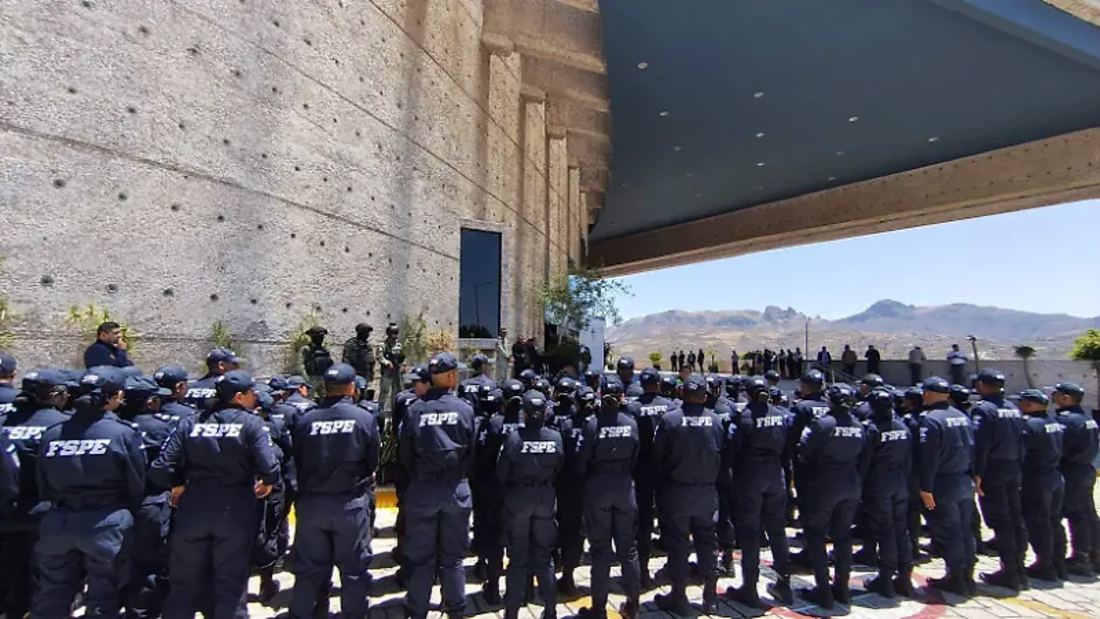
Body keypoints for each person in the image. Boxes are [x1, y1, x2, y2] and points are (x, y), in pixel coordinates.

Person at [150, 370, 280, 619]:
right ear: (239, 397)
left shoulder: (189, 422)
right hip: (234, 510)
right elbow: (270, 467)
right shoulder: (251, 423)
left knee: (183, 586)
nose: (255, 396)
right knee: (231, 584)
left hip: (193, 508)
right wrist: (268, 483)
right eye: (252, 392)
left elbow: (161, 467)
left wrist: (177, 484)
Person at [31, 367, 145, 618]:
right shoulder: (123, 433)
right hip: (106, 522)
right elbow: (137, 483)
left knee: (50, 596)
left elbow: (42, 483)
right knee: (103, 599)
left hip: (59, 522)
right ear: (116, 396)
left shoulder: (53, 433)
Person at [290, 364, 380, 619]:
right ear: (351, 388)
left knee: (309, 570)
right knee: (353, 570)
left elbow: (296, 460)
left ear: (325, 388)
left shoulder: (306, 420)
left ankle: (305, 613)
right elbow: (372, 461)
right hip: (349, 505)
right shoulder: (363, 418)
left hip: (312, 506)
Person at [399, 353, 476, 619]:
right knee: (453, 558)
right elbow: (472, 451)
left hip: (423, 489)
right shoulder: (465, 409)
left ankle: (417, 610)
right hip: (455, 489)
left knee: (421, 559)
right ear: (451, 377)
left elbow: (405, 455)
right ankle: (456, 610)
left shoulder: (415, 409)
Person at [1, 368, 73, 618]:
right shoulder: (64, 425)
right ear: (55, 394)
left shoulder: (4, 423)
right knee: (46, 579)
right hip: (47, 512)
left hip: (7, 511)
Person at [652, 374, 722, 615]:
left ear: (682, 393)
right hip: (706, 491)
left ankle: (679, 597)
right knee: (708, 543)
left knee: (678, 545)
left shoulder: (670, 420)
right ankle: (710, 598)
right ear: (705, 396)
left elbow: (658, 455)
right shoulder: (715, 421)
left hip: (678, 490)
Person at [724, 376, 794, 607]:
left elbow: (732, 450)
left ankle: (749, 588)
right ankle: (784, 584)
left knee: (750, 533)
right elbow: (787, 449)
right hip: (775, 474)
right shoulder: (781, 415)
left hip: (750, 476)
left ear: (748, 394)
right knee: (777, 531)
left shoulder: (743, 417)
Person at [796, 383, 867, 609]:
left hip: (824, 483)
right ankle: (842, 589)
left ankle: (823, 592)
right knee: (843, 537)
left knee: (817, 536)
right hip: (851, 483)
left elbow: (803, 450)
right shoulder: (859, 425)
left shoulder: (822, 424)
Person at [576, 377, 641, 619]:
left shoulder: (593, 425)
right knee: (628, 549)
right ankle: (633, 605)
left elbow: (582, 461)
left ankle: (599, 609)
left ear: (600, 396)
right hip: (624, 487)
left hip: (599, 488)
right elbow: (636, 455)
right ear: (622, 398)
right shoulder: (631, 424)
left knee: (601, 551)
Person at [497, 390, 563, 619]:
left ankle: (512, 613)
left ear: (523, 414)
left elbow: (501, 472)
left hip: (518, 499)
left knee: (517, 559)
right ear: (545, 412)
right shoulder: (555, 438)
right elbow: (558, 467)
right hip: (545, 497)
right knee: (544, 558)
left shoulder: (514, 438)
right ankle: (551, 610)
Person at [118, 376, 176, 617]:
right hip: (152, 503)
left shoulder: (116, 425)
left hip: (116, 505)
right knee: (150, 563)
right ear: (150, 401)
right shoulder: (160, 427)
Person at [969, 369, 1028, 592]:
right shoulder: (1013, 409)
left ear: (982, 385)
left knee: (1000, 521)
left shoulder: (984, 409)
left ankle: (1009, 571)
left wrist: (977, 473)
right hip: (1013, 467)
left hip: (993, 471)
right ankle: (1019, 568)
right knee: (1015, 519)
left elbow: (981, 445)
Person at [918, 376, 977, 597]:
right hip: (963, 480)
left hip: (943, 483)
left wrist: (925, 488)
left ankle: (956, 578)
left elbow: (929, 457)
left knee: (949, 532)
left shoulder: (931, 420)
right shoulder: (962, 416)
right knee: (965, 530)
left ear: (929, 394)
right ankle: (967, 576)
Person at [858, 388, 915, 599]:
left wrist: (860, 487)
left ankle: (885, 579)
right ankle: (905, 577)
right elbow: (909, 460)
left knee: (885, 531)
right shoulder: (903, 427)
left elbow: (864, 463)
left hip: (879, 483)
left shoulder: (871, 429)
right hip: (899, 481)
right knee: (901, 530)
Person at [626, 368, 674, 586]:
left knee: (643, 522)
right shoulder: (671, 407)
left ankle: (642, 570)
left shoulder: (633, 408)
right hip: (666, 469)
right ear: (659, 384)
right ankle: (673, 566)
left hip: (642, 469)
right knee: (670, 518)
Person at [1016, 389, 1066, 582]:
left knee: (1038, 522)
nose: (1019, 405)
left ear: (1030, 404)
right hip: (1055, 476)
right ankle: (1058, 563)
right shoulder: (1053, 421)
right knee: (1054, 521)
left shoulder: (1029, 424)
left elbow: (1022, 453)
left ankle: (1045, 565)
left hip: (1036, 479)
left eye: (1022, 401)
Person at [1052, 382, 1100, 575]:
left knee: (1076, 515)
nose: (1054, 396)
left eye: (1057, 394)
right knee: (1088, 513)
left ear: (1066, 397)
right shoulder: (1087, 417)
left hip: (1071, 471)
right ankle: (1094, 555)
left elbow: (1059, 448)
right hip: (1086, 469)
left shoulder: (1066, 420)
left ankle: (1080, 558)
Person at [377, 323, 405, 420]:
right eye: (393, 333)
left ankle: (396, 410)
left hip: (397, 371)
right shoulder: (383, 345)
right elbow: (380, 357)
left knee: (398, 391)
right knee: (385, 391)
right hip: (387, 371)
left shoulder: (399, 345)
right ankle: (380, 411)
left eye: (396, 333)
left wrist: (403, 365)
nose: (395, 335)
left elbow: (402, 357)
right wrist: (387, 363)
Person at [298, 326, 334, 392]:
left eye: (322, 337)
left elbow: (330, 362)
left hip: (324, 378)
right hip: (311, 378)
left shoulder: (325, 349)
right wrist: (306, 378)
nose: (320, 339)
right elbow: (300, 364)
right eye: (318, 337)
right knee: (309, 396)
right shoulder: (306, 349)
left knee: (325, 396)